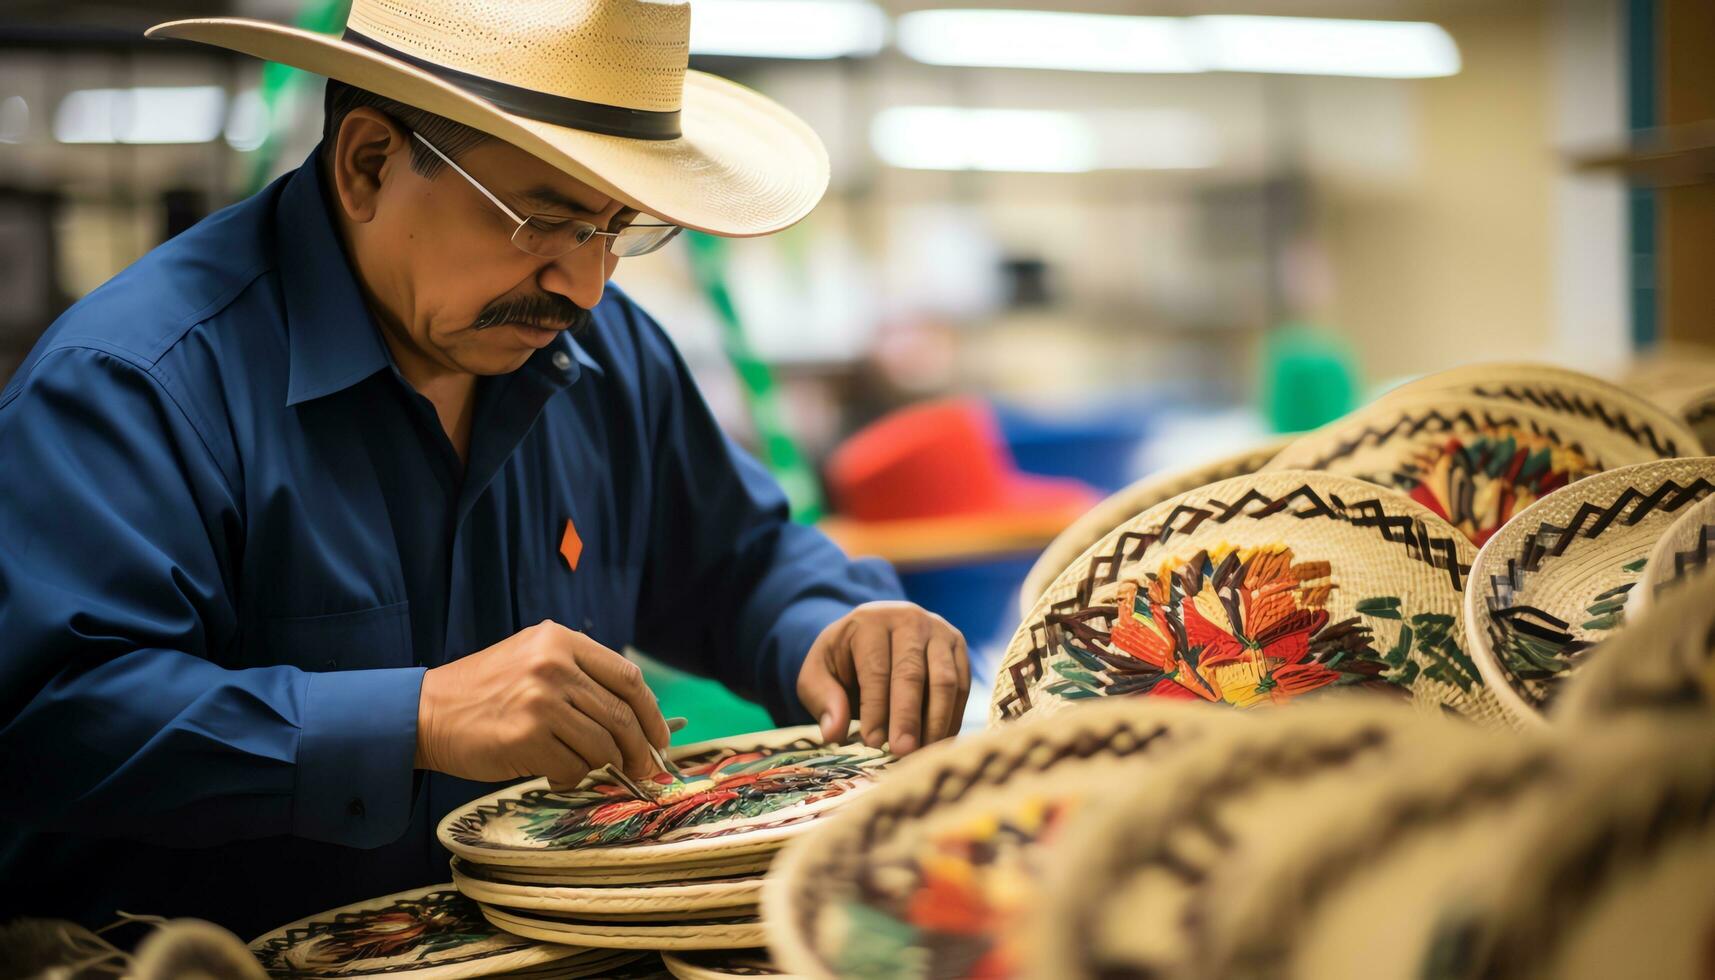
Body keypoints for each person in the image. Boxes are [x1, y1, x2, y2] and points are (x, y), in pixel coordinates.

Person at [0, 0, 969, 937]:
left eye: (614, 229)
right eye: (540, 220)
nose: (581, 285)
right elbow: (51, 719)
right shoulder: (137, 385)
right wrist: (412, 717)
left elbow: (736, 558)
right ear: (368, 164)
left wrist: (831, 625)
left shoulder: (609, 356)